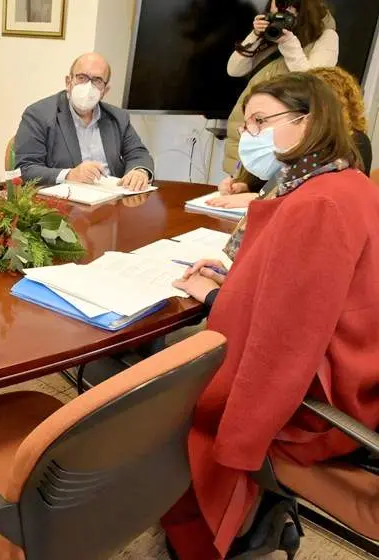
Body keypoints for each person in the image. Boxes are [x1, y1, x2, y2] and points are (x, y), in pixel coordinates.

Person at [164, 72, 379, 559]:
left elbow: (279, 346)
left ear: (309, 121)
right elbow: (298, 296)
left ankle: (239, 527)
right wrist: (234, 282)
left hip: (318, 409)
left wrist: (215, 300)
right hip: (362, 376)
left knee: (168, 397)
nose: (249, 134)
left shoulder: (315, 204)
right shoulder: (347, 180)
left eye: (261, 121)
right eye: (247, 123)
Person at [211, 65, 372, 209]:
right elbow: (277, 178)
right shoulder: (293, 150)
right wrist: (245, 185)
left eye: (261, 120)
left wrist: (260, 198)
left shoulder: (351, 146)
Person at [221, 0, 337, 180]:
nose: (279, 15)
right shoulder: (271, 35)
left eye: (285, 10)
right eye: (274, 9)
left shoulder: (325, 37)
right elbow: (234, 69)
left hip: (277, 143)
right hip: (245, 132)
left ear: (304, 10)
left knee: (265, 196)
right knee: (233, 192)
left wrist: (289, 42)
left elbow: (315, 83)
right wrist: (256, 35)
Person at [14, 52, 155, 191]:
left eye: (97, 80)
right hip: (62, 205)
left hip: (111, 203)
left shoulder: (118, 117)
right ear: (68, 82)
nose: (88, 86)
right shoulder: (38, 114)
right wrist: (69, 174)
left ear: (104, 91)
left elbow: (138, 153)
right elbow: (25, 168)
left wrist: (140, 171)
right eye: (82, 77)